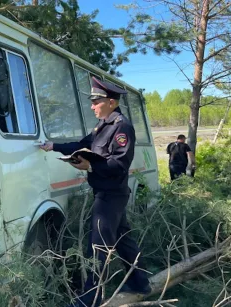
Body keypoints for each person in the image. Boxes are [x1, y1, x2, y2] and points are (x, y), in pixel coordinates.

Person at [40, 77, 151, 306]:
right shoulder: (103, 126)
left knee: (98, 246)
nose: (92, 106)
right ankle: (141, 282)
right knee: (123, 240)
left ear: (110, 102)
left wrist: (90, 166)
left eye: (96, 101)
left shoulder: (121, 127)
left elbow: (119, 165)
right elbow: (83, 145)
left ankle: (90, 298)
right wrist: (54, 147)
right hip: (106, 193)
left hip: (111, 195)